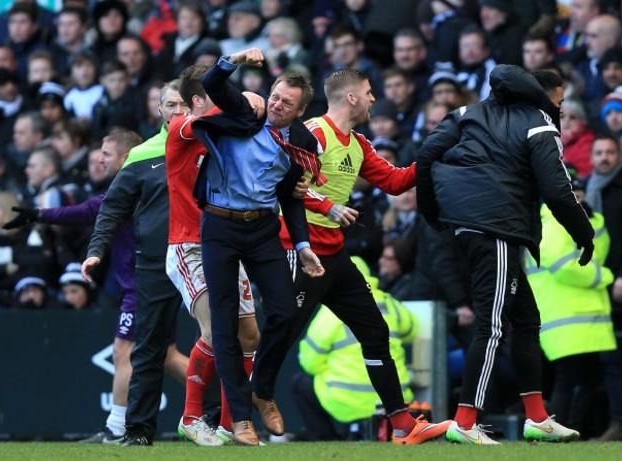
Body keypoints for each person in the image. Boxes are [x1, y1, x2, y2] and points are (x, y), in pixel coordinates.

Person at [416, 66, 595, 444]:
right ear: (545, 96)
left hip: (473, 224)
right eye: (559, 101)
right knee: (492, 326)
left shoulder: (468, 113)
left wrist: (434, 211)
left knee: (527, 322)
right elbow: (558, 189)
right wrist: (584, 233)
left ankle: (537, 418)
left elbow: (427, 153)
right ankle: (464, 423)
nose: (560, 109)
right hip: (497, 225)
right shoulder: (540, 122)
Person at [278, 67, 450, 445]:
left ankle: (404, 424)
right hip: (299, 249)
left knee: (375, 331)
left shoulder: (359, 143)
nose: (374, 98)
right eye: (369, 92)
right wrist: (328, 208)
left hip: (335, 254)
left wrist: (436, 149)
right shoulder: (312, 133)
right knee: (279, 336)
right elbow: (283, 184)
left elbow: (395, 181)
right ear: (351, 97)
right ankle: (231, 415)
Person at [3, 128, 187, 443]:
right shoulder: (134, 184)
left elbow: (86, 211)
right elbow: (88, 211)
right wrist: (38, 214)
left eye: (106, 154)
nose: (99, 160)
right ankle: (228, 404)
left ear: (127, 157)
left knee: (123, 351)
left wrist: (39, 214)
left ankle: (116, 427)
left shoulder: (135, 185)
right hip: (148, 281)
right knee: (167, 355)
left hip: (144, 283)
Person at [191, 47, 325, 446]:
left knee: (284, 312)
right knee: (226, 323)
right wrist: (235, 59)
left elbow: (292, 196)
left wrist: (302, 245)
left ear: (300, 111)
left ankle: (262, 389)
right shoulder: (245, 112)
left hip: (264, 228)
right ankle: (241, 420)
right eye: (275, 96)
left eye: (287, 102)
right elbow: (214, 83)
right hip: (219, 224)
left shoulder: (301, 143)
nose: (277, 105)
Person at [81, 81, 191, 446]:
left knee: (225, 339)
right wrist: (97, 248)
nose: (177, 111)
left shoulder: (212, 144)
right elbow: (112, 207)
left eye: (184, 104)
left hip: (206, 255)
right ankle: (139, 431)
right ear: (158, 110)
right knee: (149, 347)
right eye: (171, 104)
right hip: (156, 261)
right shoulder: (143, 154)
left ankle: (233, 420)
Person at [165, 64, 263, 446]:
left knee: (249, 335)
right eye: (216, 97)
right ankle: (191, 417)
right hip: (188, 244)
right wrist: (246, 103)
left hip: (224, 242)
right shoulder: (183, 126)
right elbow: (212, 119)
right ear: (196, 101)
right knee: (214, 330)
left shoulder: (223, 133)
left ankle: (229, 423)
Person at [526, 176, 616, 439]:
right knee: (569, 379)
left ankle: (569, 429)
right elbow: (561, 264)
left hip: (581, 315)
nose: (576, 197)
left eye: (578, 192)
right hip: (565, 314)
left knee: (584, 379)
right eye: (571, 192)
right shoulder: (554, 221)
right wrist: (603, 277)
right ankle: (558, 428)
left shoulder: (586, 220)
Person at [292, 256, 419, 441]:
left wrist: (330, 368)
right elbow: (413, 331)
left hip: (345, 400)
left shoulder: (330, 310)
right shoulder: (390, 304)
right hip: (394, 400)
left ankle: (325, 439)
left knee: (299, 383)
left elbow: (309, 361)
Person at [584, 135, 622, 441]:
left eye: (610, 152)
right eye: (599, 153)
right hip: (600, 290)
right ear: (591, 158)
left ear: (620, 154)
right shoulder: (588, 191)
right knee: (612, 362)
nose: (604, 157)